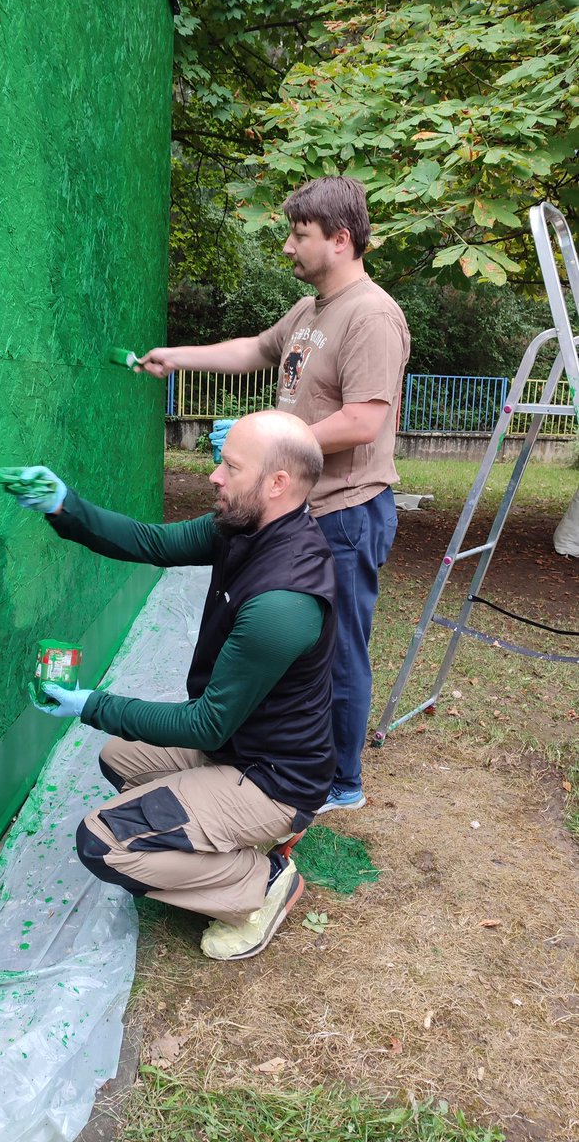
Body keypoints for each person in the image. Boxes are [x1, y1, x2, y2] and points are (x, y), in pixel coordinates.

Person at [14, 412, 337, 961]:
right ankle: (229, 838)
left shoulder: (284, 601)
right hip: (235, 748)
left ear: (277, 483)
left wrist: (92, 704)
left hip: (274, 779)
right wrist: (63, 505)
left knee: (103, 843)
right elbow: (152, 542)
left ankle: (261, 882)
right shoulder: (244, 527)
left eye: (231, 467)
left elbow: (205, 723)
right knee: (119, 758)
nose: (214, 475)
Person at [140, 176, 411, 814]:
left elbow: (364, 421)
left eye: (299, 234)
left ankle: (341, 782)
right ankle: (296, 760)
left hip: (347, 511)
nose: (288, 246)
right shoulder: (312, 310)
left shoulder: (372, 315)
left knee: (338, 652)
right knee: (303, 654)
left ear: (340, 240)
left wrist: (271, 449)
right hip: (305, 509)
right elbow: (254, 350)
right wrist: (178, 357)